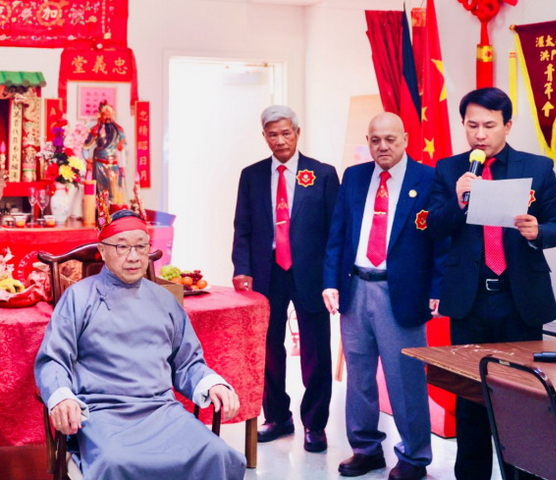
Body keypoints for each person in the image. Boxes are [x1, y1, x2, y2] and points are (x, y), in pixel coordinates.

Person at [35, 209, 246, 480]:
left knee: (218, 454)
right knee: (116, 462)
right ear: (103, 251)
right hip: (103, 414)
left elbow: (187, 363)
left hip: (162, 411)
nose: (134, 257)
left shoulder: (164, 300)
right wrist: (62, 397)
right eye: (122, 247)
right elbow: (54, 360)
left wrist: (212, 383)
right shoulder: (79, 297)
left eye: (141, 246)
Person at [427, 87, 556, 480]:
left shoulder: (537, 167)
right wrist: (458, 201)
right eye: (471, 125)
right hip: (469, 302)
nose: (479, 135)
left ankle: (525, 475)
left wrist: (538, 231)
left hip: (519, 300)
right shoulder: (448, 169)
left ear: (507, 125)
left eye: (489, 126)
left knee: (525, 400)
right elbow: (434, 227)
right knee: (471, 399)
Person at [323, 112, 445, 480]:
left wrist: (437, 288)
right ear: (368, 141)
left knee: (405, 379)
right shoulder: (355, 177)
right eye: (375, 140)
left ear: (405, 138)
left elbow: (440, 240)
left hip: (402, 292)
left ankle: (414, 457)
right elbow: (337, 234)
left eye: (390, 139)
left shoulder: (428, 178)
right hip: (355, 288)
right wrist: (330, 281)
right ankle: (365, 449)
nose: (383, 147)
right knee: (359, 376)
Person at [232, 105, 339, 453]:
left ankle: (315, 424)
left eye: (285, 133)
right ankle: (277, 416)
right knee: (268, 349)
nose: (280, 140)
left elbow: (335, 232)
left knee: (316, 351)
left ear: (297, 133)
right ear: (264, 137)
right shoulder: (252, 175)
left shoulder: (322, 174)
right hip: (267, 273)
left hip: (310, 274)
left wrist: (332, 278)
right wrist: (241, 268)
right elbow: (242, 227)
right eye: (272, 135)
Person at [83, 101, 128, 208]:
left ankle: (114, 212)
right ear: (100, 115)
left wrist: (122, 151)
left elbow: (124, 147)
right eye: (105, 114)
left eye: (109, 114)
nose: (107, 117)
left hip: (114, 165)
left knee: (114, 192)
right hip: (99, 164)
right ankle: (101, 213)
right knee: (100, 191)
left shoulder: (119, 130)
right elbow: (86, 146)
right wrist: (87, 159)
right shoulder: (95, 130)